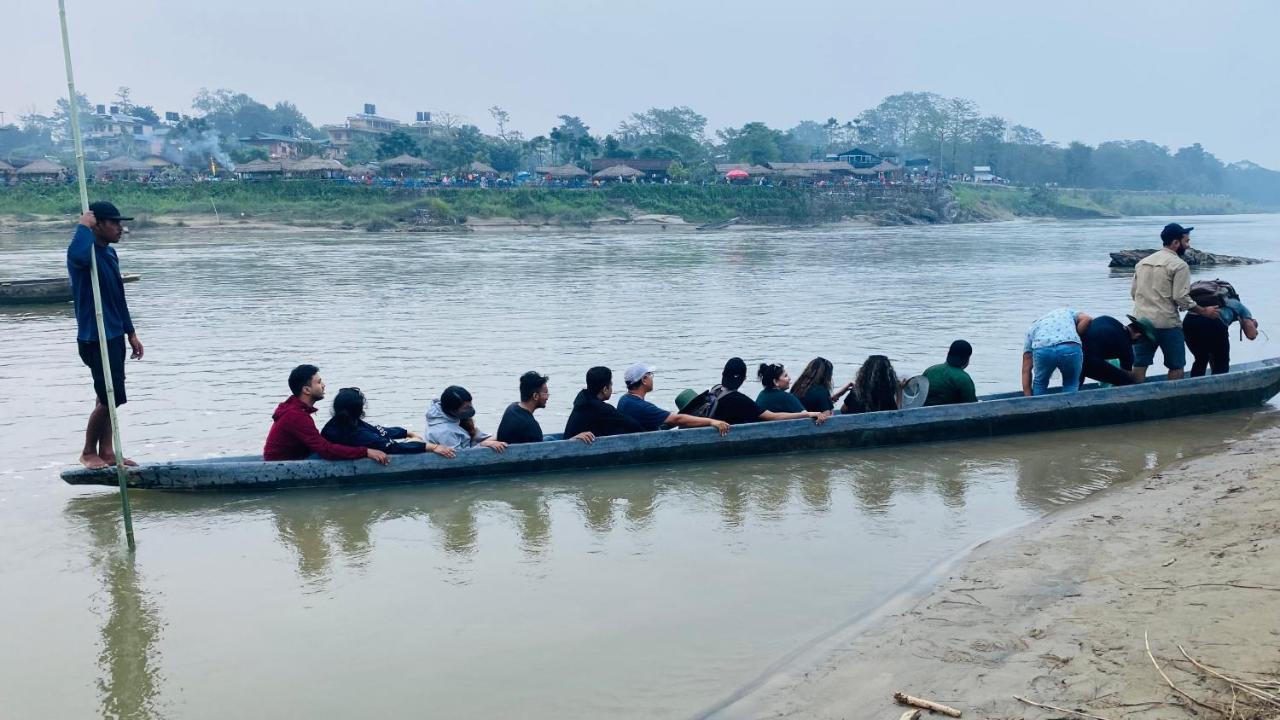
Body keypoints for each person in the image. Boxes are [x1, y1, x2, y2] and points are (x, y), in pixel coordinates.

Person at [68, 202, 144, 469]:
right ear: (97, 224)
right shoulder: (83, 253)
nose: (120, 229)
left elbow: (118, 297)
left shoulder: (109, 254)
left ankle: (108, 451)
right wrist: (82, 226)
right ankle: (88, 451)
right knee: (112, 394)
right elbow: (77, 257)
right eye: (114, 223)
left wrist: (131, 332)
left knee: (107, 395)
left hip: (113, 334)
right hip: (94, 336)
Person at [1130, 223, 1221, 381]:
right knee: (1176, 365)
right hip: (1167, 324)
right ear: (1175, 243)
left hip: (1142, 323)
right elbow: (1181, 297)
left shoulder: (1142, 263)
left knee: (1139, 364)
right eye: (1186, 241)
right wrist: (1204, 311)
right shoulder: (1179, 265)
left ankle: (1133, 398)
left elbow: (1134, 293)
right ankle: (1172, 397)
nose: (1188, 245)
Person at [264, 365, 390, 464]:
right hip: (281, 463)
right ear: (306, 390)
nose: (323, 385)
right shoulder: (296, 415)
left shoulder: (296, 409)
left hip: (290, 457)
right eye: (318, 382)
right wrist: (366, 452)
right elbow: (325, 450)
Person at [321, 387, 456, 457]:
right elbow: (395, 448)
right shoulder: (360, 435)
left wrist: (406, 433)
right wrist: (433, 447)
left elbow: (376, 430)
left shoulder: (337, 422)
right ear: (360, 410)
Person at [616, 363, 730, 434]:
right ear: (644, 380)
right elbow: (677, 420)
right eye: (650, 374)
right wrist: (711, 421)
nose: (652, 378)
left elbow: (671, 420)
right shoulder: (640, 406)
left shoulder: (625, 399)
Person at [708, 357, 828, 425]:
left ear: (723, 374)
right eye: (786, 376)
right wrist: (808, 414)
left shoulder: (716, 389)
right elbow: (774, 417)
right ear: (744, 378)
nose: (790, 378)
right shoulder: (740, 399)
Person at [497, 371, 594, 444]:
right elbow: (545, 451)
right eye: (545, 393)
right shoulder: (530, 426)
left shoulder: (512, 408)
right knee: (550, 440)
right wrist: (573, 440)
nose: (547, 397)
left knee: (550, 439)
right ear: (535, 396)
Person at [1020, 308, 1092, 396]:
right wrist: (1076, 336)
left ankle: (1038, 406)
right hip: (1069, 346)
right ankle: (1069, 407)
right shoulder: (1067, 312)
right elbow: (1087, 319)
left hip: (1043, 348)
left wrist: (1028, 399)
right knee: (1071, 382)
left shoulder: (1032, 327)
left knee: (1040, 382)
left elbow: (1026, 370)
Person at [1183, 297, 1259, 377]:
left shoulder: (1202, 300)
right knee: (1221, 361)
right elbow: (1251, 335)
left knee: (1201, 359)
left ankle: (1195, 386)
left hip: (1189, 322)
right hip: (1214, 322)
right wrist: (1253, 325)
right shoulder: (1238, 305)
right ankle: (1219, 388)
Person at [564, 366, 645, 438]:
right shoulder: (602, 409)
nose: (612, 386)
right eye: (611, 384)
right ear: (605, 389)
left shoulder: (582, 399)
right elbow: (634, 425)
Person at [426, 386, 508, 453]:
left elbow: (478, 436)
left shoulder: (456, 417)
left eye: (470, 405)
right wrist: (483, 444)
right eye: (466, 408)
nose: (470, 409)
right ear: (452, 410)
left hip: (469, 446)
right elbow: (460, 457)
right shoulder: (444, 432)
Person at [1078, 315, 1150, 387]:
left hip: (1073, 352)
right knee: (1126, 381)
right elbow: (1126, 373)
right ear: (1137, 335)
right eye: (1141, 341)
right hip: (1088, 360)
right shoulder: (1126, 346)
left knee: (1076, 380)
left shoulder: (1109, 319)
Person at [921, 340, 977, 406]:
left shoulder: (929, 370)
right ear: (967, 359)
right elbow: (972, 404)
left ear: (948, 354)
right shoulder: (964, 378)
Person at [789, 357, 854, 413]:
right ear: (826, 376)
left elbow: (816, 402)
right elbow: (829, 414)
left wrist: (839, 394)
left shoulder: (797, 386)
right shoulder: (821, 391)